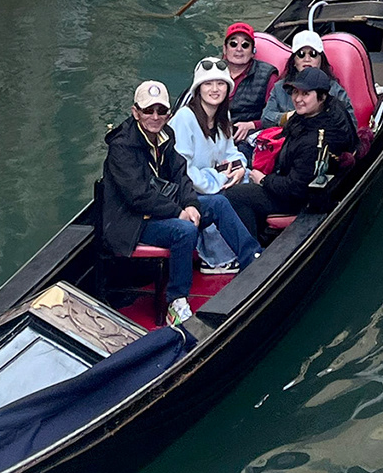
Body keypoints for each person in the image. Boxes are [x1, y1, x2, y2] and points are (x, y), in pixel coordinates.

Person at [101, 79, 260, 326]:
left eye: (161, 110)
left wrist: (191, 204)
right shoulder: (122, 146)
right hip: (132, 223)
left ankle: (253, 259)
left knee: (217, 203)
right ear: (136, 112)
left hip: (162, 210)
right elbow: (138, 196)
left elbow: (180, 175)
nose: (155, 116)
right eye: (148, 110)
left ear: (168, 113)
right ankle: (177, 301)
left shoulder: (167, 135)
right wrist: (179, 211)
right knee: (184, 230)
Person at [225, 66, 346, 236]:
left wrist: (264, 180)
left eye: (305, 94)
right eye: (295, 92)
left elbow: (295, 188)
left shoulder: (314, 140)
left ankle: (250, 247)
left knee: (235, 195)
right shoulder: (317, 114)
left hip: (301, 200)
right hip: (294, 179)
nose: (297, 99)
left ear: (322, 97)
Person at [174, 58, 252, 269]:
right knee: (221, 199)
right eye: (208, 84)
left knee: (247, 182)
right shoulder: (185, 118)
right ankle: (217, 259)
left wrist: (239, 168)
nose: (215, 89)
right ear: (198, 88)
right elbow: (183, 169)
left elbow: (231, 152)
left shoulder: (222, 116)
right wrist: (218, 179)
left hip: (215, 179)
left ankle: (248, 245)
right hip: (187, 190)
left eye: (220, 84)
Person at [261, 37, 359, 150]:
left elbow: (350, 125)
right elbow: (265, 118)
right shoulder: (280, 88)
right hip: (285, 146)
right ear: (294, 61)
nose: (307, 59)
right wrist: (287, 117)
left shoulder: (334, 89)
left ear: (321, 60)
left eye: (313, 54)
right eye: (301, 54)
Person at [222, 20, 277, 140]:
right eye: (233, 44)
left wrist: (252, 125)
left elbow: (276, 115)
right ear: (225, 49)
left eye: (245, 45)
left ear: (253, 52)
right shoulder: (214, 69)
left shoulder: (268, 75)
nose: (239, 49)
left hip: (244, 137)